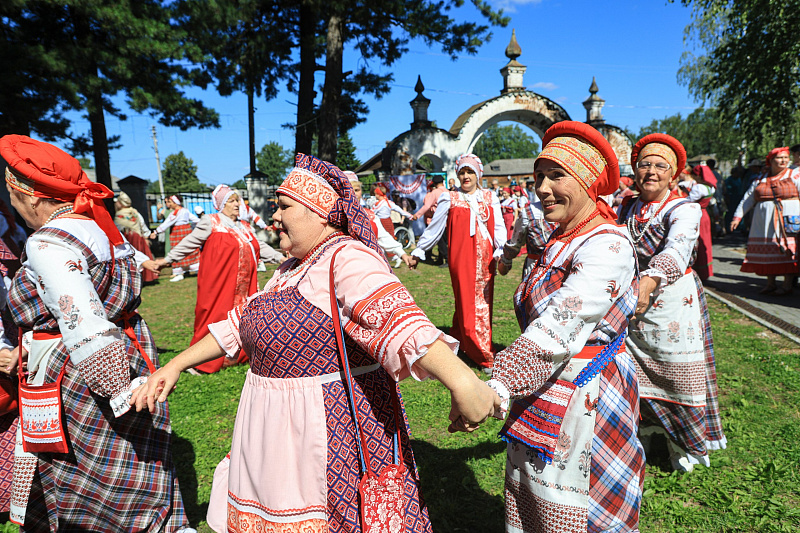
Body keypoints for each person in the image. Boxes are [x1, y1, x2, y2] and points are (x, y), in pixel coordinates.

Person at [131, 153, 497, 533]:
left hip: (326, 436)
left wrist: (463, 382)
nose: (274, 216)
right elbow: (237, 326)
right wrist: (175, 364)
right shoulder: (290, 268)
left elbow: (401, 322)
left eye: (283, 206)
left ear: (318, 213)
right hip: (274, 431)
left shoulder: (346, 258)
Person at [0, 135, 190, 531]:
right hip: (128, 348)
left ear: (31, 196)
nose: (13, 207)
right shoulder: (97, 227)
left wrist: (119, 390)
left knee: (92, 475)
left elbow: (81, 318)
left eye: (13, 197)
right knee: (132, 460)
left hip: (83, 372)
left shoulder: (48, 243)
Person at [481, 121, 644, 532]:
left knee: (579, 497)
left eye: (557, 175)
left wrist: (498, 385)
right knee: (536, 488)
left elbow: (562, 321)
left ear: (588, 181)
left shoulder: (607, 244)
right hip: (545, 375)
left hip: (588, 386)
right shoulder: (561, 238)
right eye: (539, 177)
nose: (542, 188)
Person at [619, 133, 726, 473]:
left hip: (672, 302)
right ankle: (645, 430)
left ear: (673, 175)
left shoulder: (684, 208)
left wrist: (649, 280)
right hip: (633, 301)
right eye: (644, 165)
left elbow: (677, 249)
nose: (651, 172)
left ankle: (681, 441)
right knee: (631, 371)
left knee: (676, 372)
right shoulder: (625, 206)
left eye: (660, 166)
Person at [155, 184, 284, 374]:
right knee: (214, 315)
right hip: (219, 283)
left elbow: (260, 246)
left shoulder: (244, 225)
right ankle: (202, 361)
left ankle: (237, 356)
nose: (237, 204)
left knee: (243, 316)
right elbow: (189, 242)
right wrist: (167, 260)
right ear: (221, 204)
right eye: (231, 201)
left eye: (237, 200)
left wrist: (280, 258)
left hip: (245, 284)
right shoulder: (211, 222)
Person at [409, 154, 506, 372]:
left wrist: (501, 249)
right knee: (469, 303)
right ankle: (483, 355)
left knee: (482, 303)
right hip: (461, 259)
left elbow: (498, 225)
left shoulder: (490, 197)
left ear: (478, 174)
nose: (466, 176)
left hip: (486, 259)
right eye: (462, 172)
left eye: (470, 172)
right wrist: (419, 250)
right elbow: (435, 228)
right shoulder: (450, 198)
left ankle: (460, 338)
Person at [731, 147, 800, 295]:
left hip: (787, 219)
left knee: (787, 249)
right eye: (779, 158)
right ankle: (771, 283)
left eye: (786, 157)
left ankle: (787, 285)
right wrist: (737, 217)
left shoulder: (795, 175)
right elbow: (748, 198)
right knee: (768, 250)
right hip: (763, 222)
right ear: (771, 160)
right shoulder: (761, 178)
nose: (783, 160)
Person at [345, 171, 412, 268]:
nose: (353, 193)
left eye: (356, 190)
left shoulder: (372, 213)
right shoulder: (334, 218)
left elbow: (383, 237)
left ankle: (395, 258)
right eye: (348, 190)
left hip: (386, 224)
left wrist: (402, 254)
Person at [149, 194, 199, 282]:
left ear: (175, 203)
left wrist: (156, 232)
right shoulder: (185, 210)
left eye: (170, 202)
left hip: (178, 233)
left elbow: (167, 223)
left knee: (177, 251)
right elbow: (195, 219)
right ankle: (193, 268)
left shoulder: (175, 213)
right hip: (187, 232)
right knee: (189, 250)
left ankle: (179, 273)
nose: (169, 204)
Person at [680, 164, 717, 281]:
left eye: (695, 175)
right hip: (705, 215)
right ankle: (705, 270)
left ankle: (697, 270)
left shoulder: (699, 188)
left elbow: (689, 201)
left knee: (697, 242)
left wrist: (680, 196)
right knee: (705, 241)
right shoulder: (710, 187)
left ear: (699, 176)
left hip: (697, 216)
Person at [114, 191, 157, 283]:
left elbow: (116, 228)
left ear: (120, 203)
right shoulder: (134, 212)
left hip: (126, 237)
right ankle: (144, 277)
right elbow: (142, 224)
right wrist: (146, 235)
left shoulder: (119, 215)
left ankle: (135, 278)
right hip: (137, 237)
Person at [411, 175, 448, 265]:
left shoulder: (434, 192)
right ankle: (440, 259)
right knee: (443, 240)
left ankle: (447, 259)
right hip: (447, 219)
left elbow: (427, 206)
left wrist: (417, 215)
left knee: (440, 241)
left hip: (437, 219)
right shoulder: (448, 192)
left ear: (434, 184)